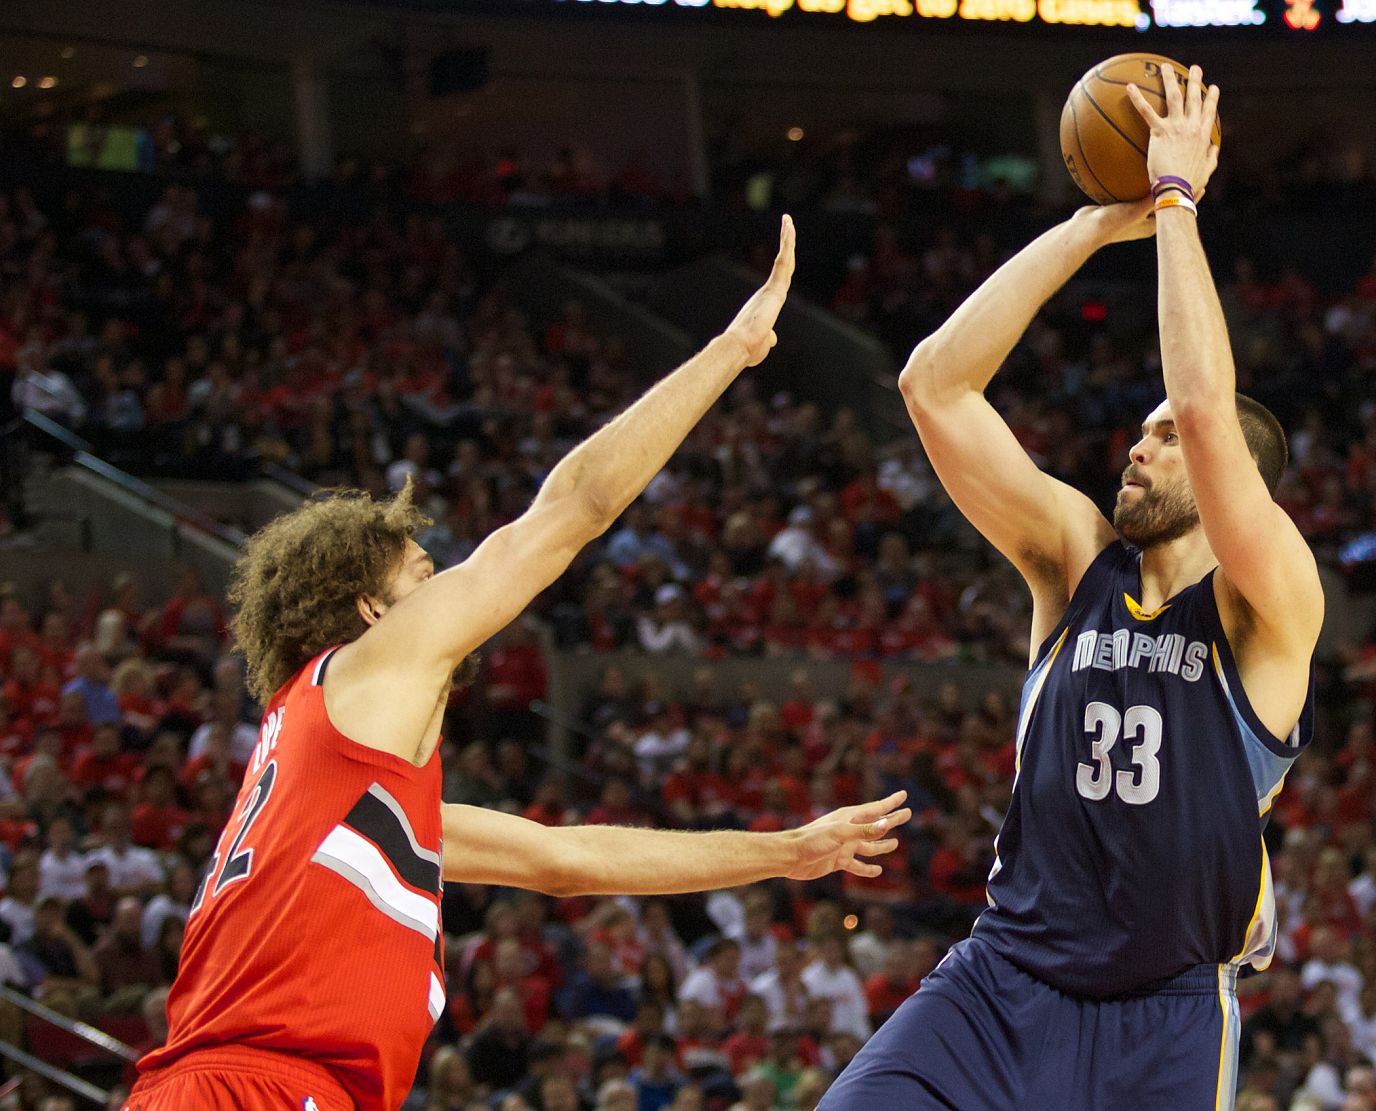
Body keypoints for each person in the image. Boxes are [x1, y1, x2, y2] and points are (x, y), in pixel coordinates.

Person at [128, 218, 912, 1111]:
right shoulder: (363, 670)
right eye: (424, 575)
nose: (450, 587)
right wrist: (731, 351)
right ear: (371, 611)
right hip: (259, 1090)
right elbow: (569, 509)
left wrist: (785, 851)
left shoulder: (356, 795)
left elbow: (569, 858)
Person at [824, 67, 1321, 1110]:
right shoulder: (1073, 559)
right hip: (1000, 982)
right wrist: (1098, 225)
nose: (1137, 448)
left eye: (1163, 439)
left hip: (1163, 1014)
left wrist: (1180, 202)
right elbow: (932, 385)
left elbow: (1200, 405)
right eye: (1135, 433)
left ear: (1239, 474)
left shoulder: (1266, 600)